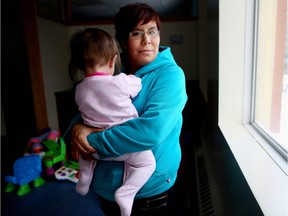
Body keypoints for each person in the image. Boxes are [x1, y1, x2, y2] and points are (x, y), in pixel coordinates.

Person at [65, 3, 187, 216]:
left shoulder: (170, 75)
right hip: (104, 191)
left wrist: (89, 141)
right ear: (122, 41)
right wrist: (75, 128)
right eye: (136, 33)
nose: (147, 40)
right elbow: (87, 108)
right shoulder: (111, 70)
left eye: (152, 31)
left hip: (148, 196)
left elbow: (152, 130)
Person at [68, 28, 156, 216]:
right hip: (124, 146)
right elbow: (138, 85)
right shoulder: (121, 81)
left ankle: (84, 177)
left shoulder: (79, 90)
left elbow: (82, 112)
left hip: (97, 151)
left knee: (86, 151)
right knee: (148, 163)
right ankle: (127, 192)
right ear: (113, 60)